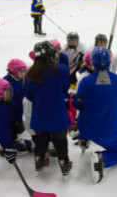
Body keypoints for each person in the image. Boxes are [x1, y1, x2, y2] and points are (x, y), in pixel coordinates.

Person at [72, 47, 117, 183]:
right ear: (110, 62)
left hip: (85, 127)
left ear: (92, 62)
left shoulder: (86, 81)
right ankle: (103, 159)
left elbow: (78, 103)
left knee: (86, 113)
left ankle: (84, 138)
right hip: (107, 132)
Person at [24, 41, 72, 179]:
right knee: (60, 141)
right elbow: (64, 89)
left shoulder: (30, 73)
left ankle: (39, 161)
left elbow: (28, 95)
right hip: (58, 114)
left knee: (40, 140)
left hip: (40, 115)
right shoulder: (62, 69)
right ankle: (64, 163)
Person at [3, 59, 30, 155]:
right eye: (22, 72)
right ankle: (14, 140)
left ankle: (20, 137)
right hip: (13, 114)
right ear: (15, 72)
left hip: (21, 113)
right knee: (13, 128)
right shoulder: (7, 84)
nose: (24, 73)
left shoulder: (22, 80)